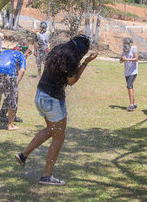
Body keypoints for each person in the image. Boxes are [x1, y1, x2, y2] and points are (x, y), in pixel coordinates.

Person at [15, 34, 98, 186]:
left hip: (40, 94)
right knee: (59, 137)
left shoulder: (58, 49)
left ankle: (23, 154)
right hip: (52, 100)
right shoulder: (72, 59)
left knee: (51, 130)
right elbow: (71, 81)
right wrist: (85, 63)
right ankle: (46, 176)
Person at [0, 44, 27, 130]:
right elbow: (22, 70)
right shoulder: (21, 55)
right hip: (9, 72)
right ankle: (10, 125)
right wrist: (16, 82)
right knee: (12, 99)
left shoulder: (5, 51)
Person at [0, 41, 32, 123]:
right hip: (8, 73)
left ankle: (7, 114)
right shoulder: (19, 52)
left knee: (11, 95)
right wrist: (26, 53)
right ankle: (6, 115)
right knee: (13, 95)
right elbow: (18, 63)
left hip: (1, 72)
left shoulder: (14, 50)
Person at [120, 37, 138, 111]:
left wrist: (126, 59)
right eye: (124, 43)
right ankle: (133, 103)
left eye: (127, 43)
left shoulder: (134, 48)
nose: (125, 44)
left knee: (129, 86)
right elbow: (121, 60)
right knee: (130, 87)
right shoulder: (124, 51)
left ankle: (131, 105)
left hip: (133, 71)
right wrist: (122, 59)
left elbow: (136, 59)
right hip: (127, 72)